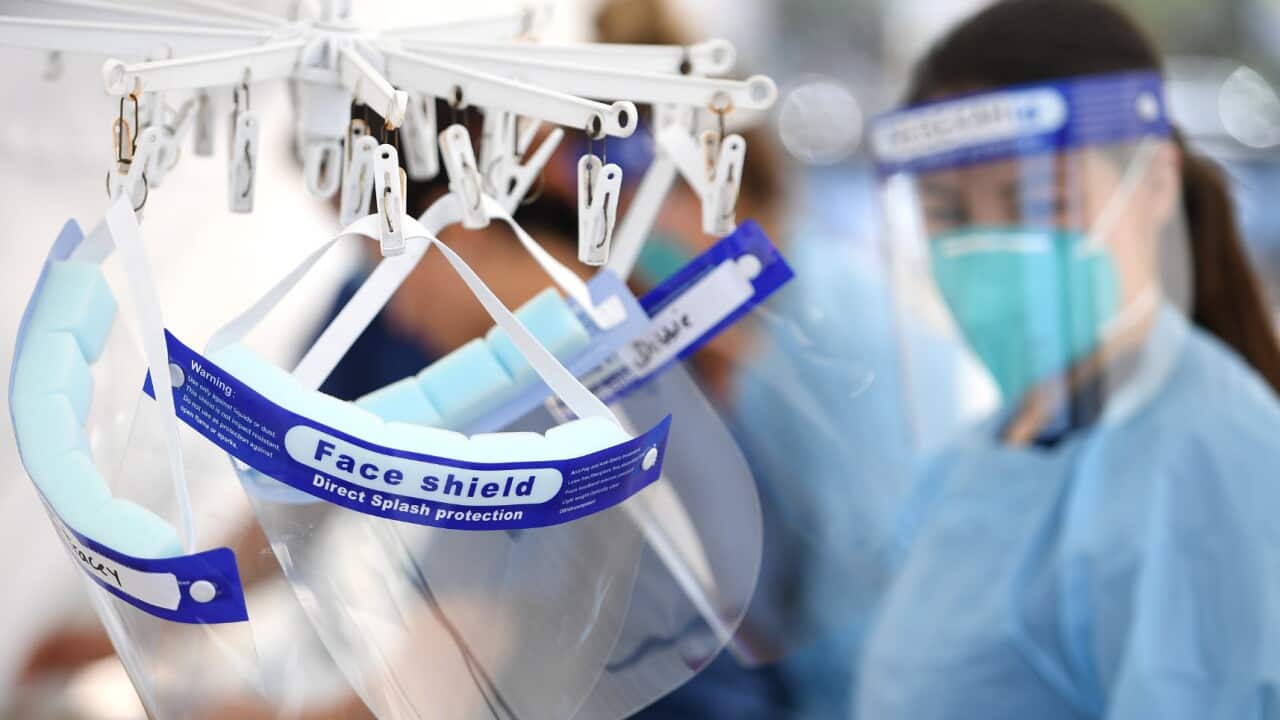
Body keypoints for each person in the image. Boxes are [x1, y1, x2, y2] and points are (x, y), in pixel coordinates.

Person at [857, 1, 1280, 717]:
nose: (987, 249)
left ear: (1153, 185)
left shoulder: (1207, 456)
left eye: (1036, 201)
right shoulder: (979, 453)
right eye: (948, 215)